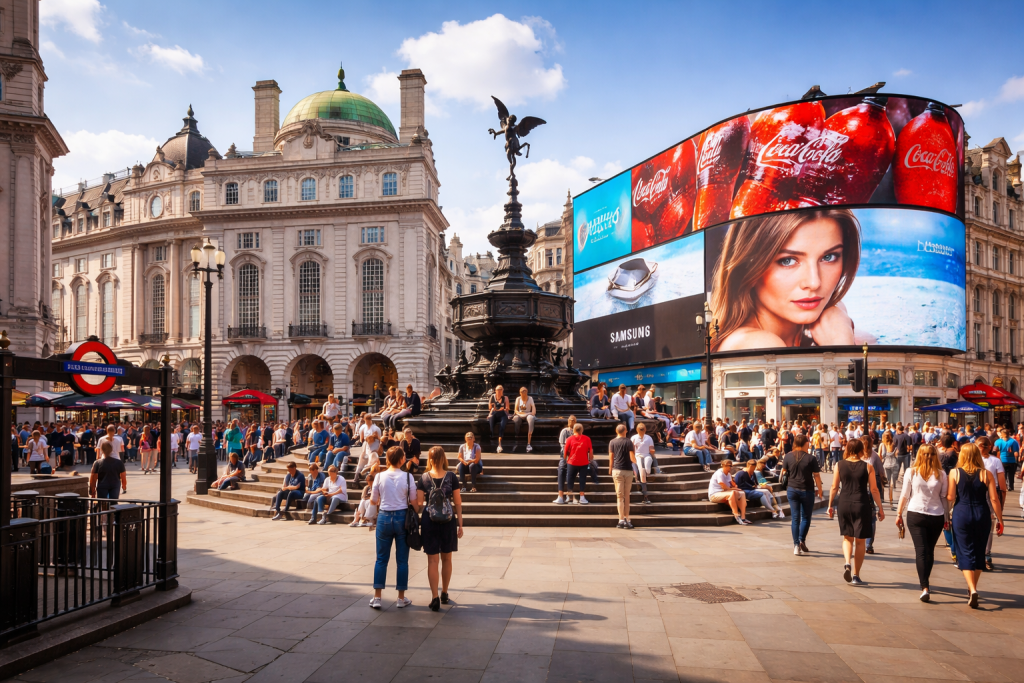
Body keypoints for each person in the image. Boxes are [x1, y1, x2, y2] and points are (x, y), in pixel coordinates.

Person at [709, 211, 862, 350]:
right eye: (787, 261)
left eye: (828, 257)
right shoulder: (758, 344)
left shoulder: (828, 323)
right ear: (749, 268)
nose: (814, 282)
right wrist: (841, 345)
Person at [948, 443, 1004, 608]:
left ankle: (972, 589)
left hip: (961, 513)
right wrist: (1000, 520)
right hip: (982, 513)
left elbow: (951, 496)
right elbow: (994, 499)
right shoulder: (986, 474)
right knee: (979, 551)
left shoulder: (955, 473)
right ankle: (973, 587)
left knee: (964, 551)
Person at [369, 446, 422, 609]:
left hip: (384, 516)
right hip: (402, 517)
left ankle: (377, 597)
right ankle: (401, 598)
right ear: (400, 460)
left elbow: (373, 500)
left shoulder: (378, 476)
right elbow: (413, 501)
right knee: (402, 560)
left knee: (381, 559)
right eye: (404, 456)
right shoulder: (408, 477)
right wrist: (418, 507)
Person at [895, 445, 949, 602]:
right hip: (915, 513)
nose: (928, 456)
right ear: (920, 455)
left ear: (935, 455)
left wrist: (947, 517)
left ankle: (925, 582)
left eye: (931, 454)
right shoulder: (911, 472)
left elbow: (944, 497)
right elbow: (904, 494)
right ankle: (924, 586)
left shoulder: (941, 474)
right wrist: (899, 514)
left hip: (936, 515)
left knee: (929, 550)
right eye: (925, 454)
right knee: (921, 550)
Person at [828, 439, 884, 586]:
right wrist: (880, 508)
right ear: (861, 450)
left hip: (844, 503)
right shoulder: (868, 467)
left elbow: (834, 487)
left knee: (847, 538)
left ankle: (847, 562)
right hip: (862, 503)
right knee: (860, 541)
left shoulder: (839, 465)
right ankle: (856, 575)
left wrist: (830, 505)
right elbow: (874, 490)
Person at [418, 446, 464, 611]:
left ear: (430, 459)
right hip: (448, 521)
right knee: (447, 559)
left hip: (429, 522)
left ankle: (434, 597)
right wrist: (460, 523)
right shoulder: (451, 477)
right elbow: (457, 502)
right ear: (444, 458)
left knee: (432, 560)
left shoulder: (423, 478)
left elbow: (418, 504)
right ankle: (444, 592)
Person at [782, 434, 822, 555]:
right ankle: (801, 540)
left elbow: (784, 472)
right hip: (807, 490)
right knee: (806, 517)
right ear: (805, 444)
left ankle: (795, 545)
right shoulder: (811, 458)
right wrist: (820, 489)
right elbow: (816, 475)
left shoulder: (788, 456)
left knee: (795, 518)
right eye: (808, 442)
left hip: (792, 489)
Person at [976, 436, 1007, 571]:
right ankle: (986, 556)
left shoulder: (970, 460)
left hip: (979, 492)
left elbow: (1002, 487)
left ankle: (979, 556)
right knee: (988, 525)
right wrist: (1000, 507)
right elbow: (1002, 487)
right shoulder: (995, 461)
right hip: (989, 492)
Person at [608, 424, 636, 529]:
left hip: (617, 470)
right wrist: (638, 465)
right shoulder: (628, 441)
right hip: (628, 470)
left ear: (616, 431)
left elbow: (611, 457)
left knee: (619, 496)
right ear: (625, 431)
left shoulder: (612, 442)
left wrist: (610, 469)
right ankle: (627, 519)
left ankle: (620, 520)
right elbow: (632, 458)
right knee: (627, 495)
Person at [709, 460, 751, 525]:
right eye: (729, 466)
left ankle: (743, 517)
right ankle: (736, 515)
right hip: (715, 494)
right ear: (724, 466)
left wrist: (735, 486)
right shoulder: (719, 473)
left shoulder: (728, 474)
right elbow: (724, 487)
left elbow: (730, 484)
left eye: (731, 466)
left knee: (742, 493)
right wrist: (734, 489)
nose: (730, 467)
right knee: (733, 492)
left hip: (724, 493)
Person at [564, 423, 593, 505]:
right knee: (582, 479)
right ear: (582, 430)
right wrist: (591, 459)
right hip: (584, 462)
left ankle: (569, 496)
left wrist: (564, 458)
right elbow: (590, 450)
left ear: (573, 430)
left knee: (570, 478)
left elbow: (565, 450)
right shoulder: (587, 439)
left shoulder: (569, 439)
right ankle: (582, 496)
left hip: (572, 461)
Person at [354, 414, 382, 488]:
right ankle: (356, 479)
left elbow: (380, 439)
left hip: (374, 448)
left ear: (371, 420)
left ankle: (368, 480)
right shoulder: (363, 427)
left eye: (368, 420)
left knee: (372, 464)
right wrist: (368, 439)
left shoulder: (376, 428)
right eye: (366, 420)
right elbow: (361, 439)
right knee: (361, 462)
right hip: (366, 446)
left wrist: (374, 437)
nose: (367, 422)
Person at [630, 422, 655, 505]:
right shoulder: (634, 438)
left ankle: (647, 473)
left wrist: (653, 453)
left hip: (647, 454)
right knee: (641, 469)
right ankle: (644, 490)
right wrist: (633, 459)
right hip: (638, 455)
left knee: (647, 465)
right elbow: (632, 450)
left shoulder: (648, 438)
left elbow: (651, 448)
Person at [994, 428, 1020, 493]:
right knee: (1010, 474)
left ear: (1002, 434)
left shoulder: (998, 441)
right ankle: (1010, 486)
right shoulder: (1013, 441)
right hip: (1011, 460)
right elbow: (1016, 451)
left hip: (1003, 460)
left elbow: (995, 450)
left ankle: (1004, 486)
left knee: (1003, 474)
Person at [513, 387, 537, 452]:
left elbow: (533, 410)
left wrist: (531, 413)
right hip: (520, 414)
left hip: (528, 414)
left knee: (530, 418)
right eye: (522, 393)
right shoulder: (518, 399)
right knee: (516, 420)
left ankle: (529, 443)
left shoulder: (530, 398)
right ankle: (517, 440)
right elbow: (516, 410)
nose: (523, 395)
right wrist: (520, 413)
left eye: (525, 393)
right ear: (520, 393)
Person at [879, 431, 898, 510]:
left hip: (885, 465)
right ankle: (891, 502)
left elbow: (879, 456)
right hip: (894, 465)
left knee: (884, 484)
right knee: (891, 485)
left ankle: (882, 499)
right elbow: (896, 455)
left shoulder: (882, 445)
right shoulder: (893, 444)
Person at [488, 386, 510, 453]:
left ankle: (500, 442)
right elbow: (490, 407)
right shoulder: (492, 397)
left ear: (502, 391)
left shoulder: (505, 398)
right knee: (491, 422)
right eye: (498, 390)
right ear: (495, 390)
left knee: (502, 425)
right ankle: (492, 437)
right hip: (494, 413)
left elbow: (507, 408)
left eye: (500, 390)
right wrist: (493, 409)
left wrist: (504, 408)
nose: (499, 391)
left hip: (503, 413)